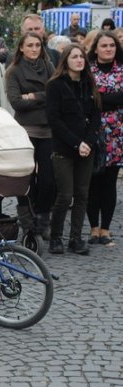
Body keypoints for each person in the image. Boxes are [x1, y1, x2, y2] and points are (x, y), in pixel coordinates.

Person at [45, 44, 101, 255]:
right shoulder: (55, 85)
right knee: (65, 195)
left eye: (82, 57)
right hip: (64, 149)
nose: (79, 60)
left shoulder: (89, 83)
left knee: (82, 194)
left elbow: (96, 115)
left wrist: (89, 142)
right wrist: (77, 144)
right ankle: (56, 237)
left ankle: (76, 238)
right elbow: (54, 119)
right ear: (66, 60)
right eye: (74, 57)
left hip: (87, 148)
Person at [5, 32, 56, 241]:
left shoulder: (49, 66)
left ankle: (44, 217)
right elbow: (16, 102)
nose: (35, 49)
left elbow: (55, 93)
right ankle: (28, 222)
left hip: (48, 130)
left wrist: (34, 95)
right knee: (26, 178)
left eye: (38, 45)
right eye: (30, 45)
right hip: (26, 130)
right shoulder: (14, 70)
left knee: (48, 180)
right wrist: (43, 98)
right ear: (22, 48)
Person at [86, 31, 123, 246]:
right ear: (96, 48)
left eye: (112, 45)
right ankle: (93, 228)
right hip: (93, 133)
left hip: (117, 136)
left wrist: (101, 99)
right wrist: (112, 100)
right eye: (104, 45)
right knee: (92, 182)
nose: (108, 49)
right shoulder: (88, 70)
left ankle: (106, 229)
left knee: (109, 183)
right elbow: (88, 100)